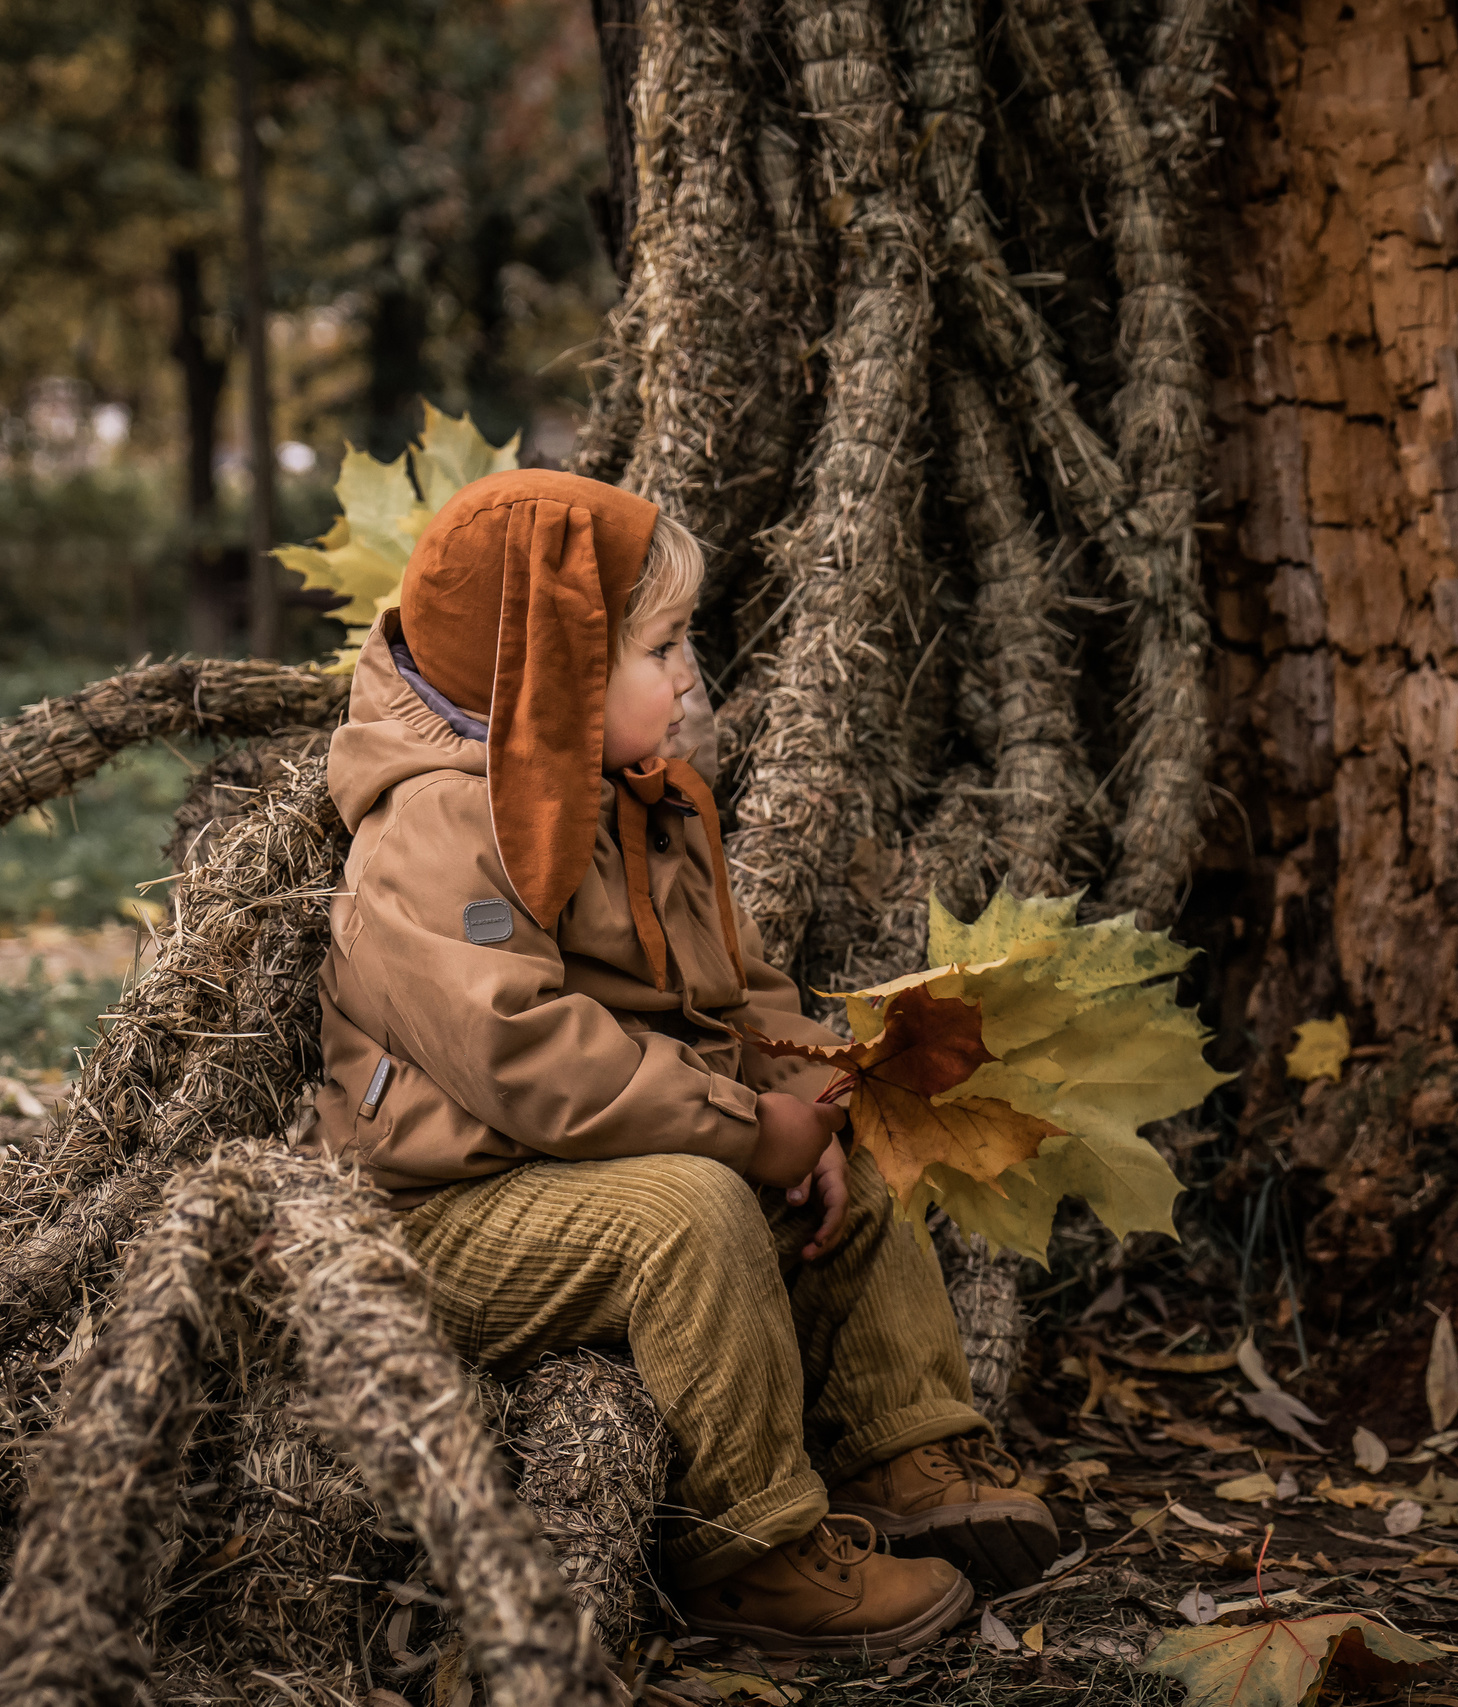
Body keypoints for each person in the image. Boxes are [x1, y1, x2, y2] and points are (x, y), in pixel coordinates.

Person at [308, 468, 1060, 1657]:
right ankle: (751, 1551)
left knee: (856, 1169)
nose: (689, 675)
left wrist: (805, 1098)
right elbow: (527, 1055)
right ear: (547, 669)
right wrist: (743, 1132)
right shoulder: (441, 825)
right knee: (693, 1210)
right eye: (660, 646)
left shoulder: (633, 798)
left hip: (590, 1164)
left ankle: (906, 1442)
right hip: (449, 1216)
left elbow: (737, 987)